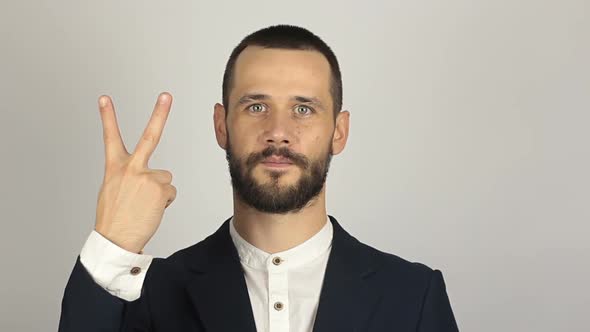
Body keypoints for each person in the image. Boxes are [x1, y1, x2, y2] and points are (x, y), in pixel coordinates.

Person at [58, 24, 459, 332]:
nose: (278, 131)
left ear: (339, 131)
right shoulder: (149, 293)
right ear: (221, 126)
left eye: (303, 109)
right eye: (255, 106)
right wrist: (111, 242)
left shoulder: (414, 295)